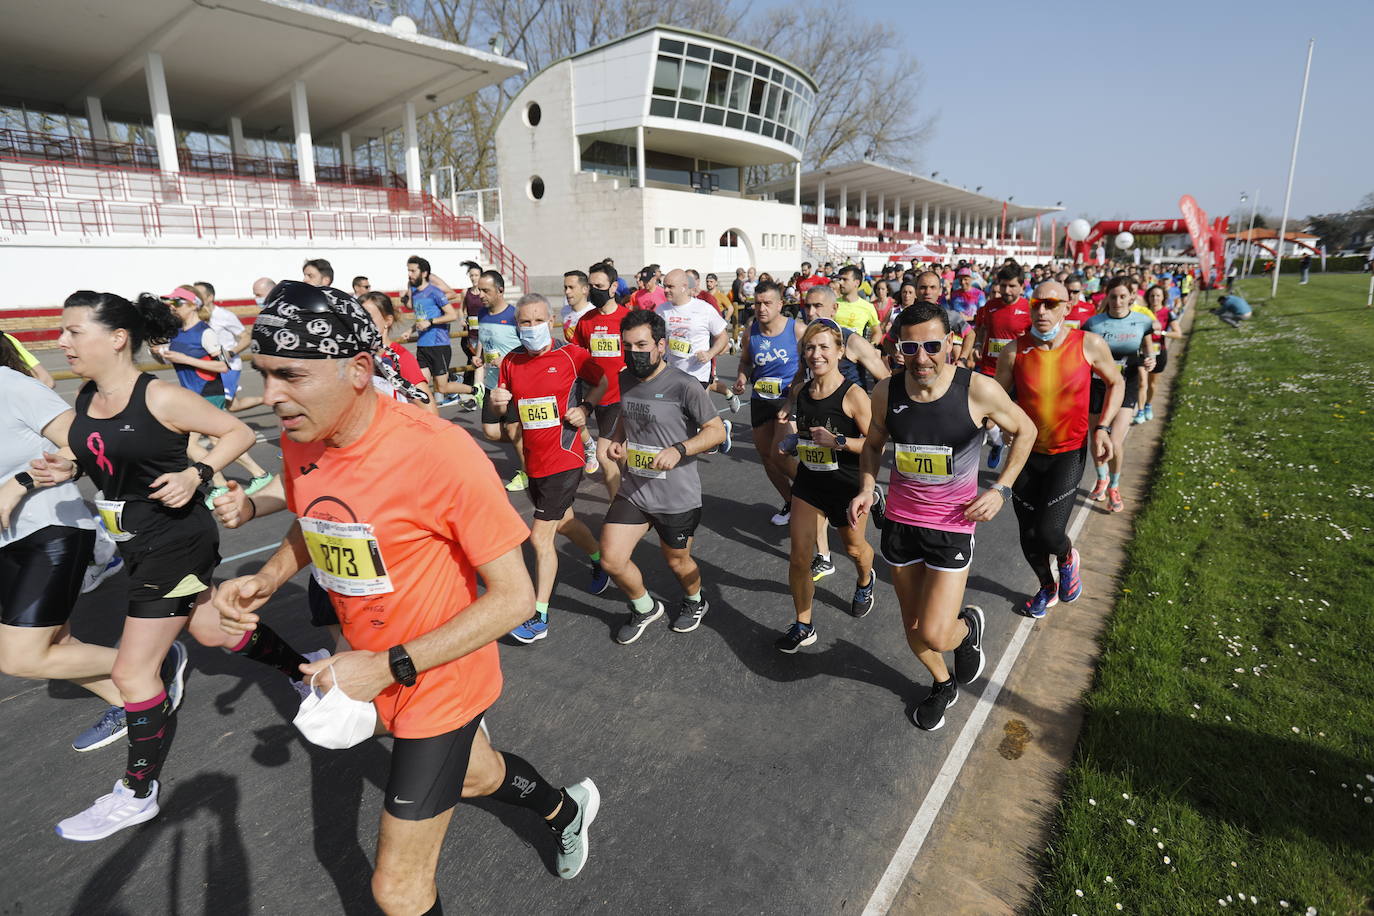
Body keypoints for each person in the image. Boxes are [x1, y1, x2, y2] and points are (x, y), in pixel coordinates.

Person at [215, 282, 599, 913]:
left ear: (359, 371)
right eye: (264, 375)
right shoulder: (301, 433)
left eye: (289, 375)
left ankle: (560, 809)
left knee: (396, 889)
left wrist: (388, 665)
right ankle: (565, 808)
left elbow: (515, 599)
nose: (271, 397)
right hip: (367, 662)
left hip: (436, 673)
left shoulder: (438, 451)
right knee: (478, 775)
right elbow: (320, 519)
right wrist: (270, 577)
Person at [31, 290, 315, 841]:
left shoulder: (158, 396)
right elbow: (101, 456)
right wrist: (64, 471)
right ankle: (306, 671)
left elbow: (235, 431)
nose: (60, 341)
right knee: (211, 628)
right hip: (137, 543)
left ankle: (138, 793)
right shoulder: (87, 398)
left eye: (73, 331)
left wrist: (198, 474)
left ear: (116, 338)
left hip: (177, 543)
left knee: (132, 672)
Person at [850, 302, 1035, 730]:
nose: (922, 357)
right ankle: (943, 682)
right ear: (898, 348)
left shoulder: (978, 390)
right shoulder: (886, 392)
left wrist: (1001, 488)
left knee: (935, 632)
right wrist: (866, 486)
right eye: (910, 347)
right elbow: (874, 444)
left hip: (951, 525)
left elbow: (1026, 430)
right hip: (899, 522)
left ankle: (966, 630)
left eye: (932, 345)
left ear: (950, 342)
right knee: (913, 628)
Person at [0, 336, 123, 751]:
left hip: (50, 528)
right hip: (7, 542)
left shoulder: (12, 386)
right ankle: (132, 701)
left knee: (20, 656)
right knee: (56, 643)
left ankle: (147, 662)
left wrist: (20, 483)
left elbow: (87, 445)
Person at [489, 294, 611, 643]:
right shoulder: (510, 362)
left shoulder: (572, 355)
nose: (531, 328)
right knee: (566, 523)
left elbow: (601, 382)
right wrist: (498, 405)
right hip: (534, 460)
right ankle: (601, 559)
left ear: (552, 320)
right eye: (524, 323)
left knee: (540, 537)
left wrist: (586, 408)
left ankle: (538, 616)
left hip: (566, 456)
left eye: (537, 321)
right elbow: (506, 413)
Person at [997, 281, 1123, 617]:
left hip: (1067, 452)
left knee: (1049, 532)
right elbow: (996, 399)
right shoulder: (1014, 351)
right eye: (1037, 303)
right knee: (1027, 534)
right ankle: (1046, 587)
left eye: (1051, 304)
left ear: (1067, 307)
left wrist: (1104, 428)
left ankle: (1067, 558)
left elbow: (1117, 382)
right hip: (1026, 454)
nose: (1041, 311)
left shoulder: (1088, 344)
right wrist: (1004, 426)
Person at [600, 310, 727, 643]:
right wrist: (617, 439)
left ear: (661, 345)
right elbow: (627, 415)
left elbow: (715, 432)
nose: (634, 352)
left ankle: (695, 601)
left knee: (677, 562)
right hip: (635, 490)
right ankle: (644, 607)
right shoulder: (625, 378)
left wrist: (680, 450)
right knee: (611, 559)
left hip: (676, 496)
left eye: (642, 344)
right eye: (627, 345)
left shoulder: (684, 385)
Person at [774, 320, 877, 653]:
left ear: (839, 352)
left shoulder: (854, 394)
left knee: (854, 550)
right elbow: (808, 434)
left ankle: (865, 580)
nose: (815, 354)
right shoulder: (802, 392)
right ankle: (804, 625)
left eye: (823, 348)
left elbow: (876, 444)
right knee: (799, 558)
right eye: (809, 348)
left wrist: (840, 441)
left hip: (846, 487)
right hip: (809, 484)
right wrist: (795, 442)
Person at [154, 286, 274, 507]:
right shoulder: (177, 332)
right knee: (218, 441)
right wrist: (158, 353)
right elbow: (173, 360)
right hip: (192, 394)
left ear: (193, 305)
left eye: (177, 303)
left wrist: (184, 358)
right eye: (170, 303)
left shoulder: (205, 332)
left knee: (190, 445)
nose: (172, 307)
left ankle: (218, 485)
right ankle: (259, 474)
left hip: (208, 392)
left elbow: (223, 365)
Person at [733, 280, 804, 526]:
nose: (761, 308)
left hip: (788, 398)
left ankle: (812, 495)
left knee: (780, 453)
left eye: (767, 303)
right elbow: (745, 361)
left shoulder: (796, 330)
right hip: (761, 399)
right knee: (766, 456)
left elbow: (816, 361)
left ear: (780, 305)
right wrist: (742, 376)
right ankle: (792, 501)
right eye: (757, 303)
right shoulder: (751, 329)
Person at [1083, 277, 1157, 511]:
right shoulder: (1093, 323)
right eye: (1113, 296)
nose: (1117, 301)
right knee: (1096, 437)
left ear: (1131, 297)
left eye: (1123, 296)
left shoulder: (1142, 321)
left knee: (1114, 440)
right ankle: (1101, 477)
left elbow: (1148, 347)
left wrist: (1151, 359)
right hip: (1097, 385)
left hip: (1127, 384)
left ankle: (1114, 486)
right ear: (1106, 296)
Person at [656, 269, 735, 445]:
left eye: (670, 287)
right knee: (677, 418)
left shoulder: (703, 309)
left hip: (697, 373)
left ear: (684, 287)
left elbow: (723, 337)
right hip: (671, 373)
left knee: (699, 418)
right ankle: (682, 449)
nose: (666, 290)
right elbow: (657, 339)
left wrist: (709, 354)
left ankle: (720, 430)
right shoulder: (661, 310)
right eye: (664, 286)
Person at [573, 263, 630, 503]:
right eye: (591, 286)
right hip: (595, 396)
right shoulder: (585, 321)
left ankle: (620, 508)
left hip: (621, 396)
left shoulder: (628, 319)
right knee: (620, 454)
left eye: (600, 286)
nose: (594, 291)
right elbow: (576, 356)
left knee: (605, 454)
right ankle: (630, 497)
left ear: (613, 287)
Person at [970, 263, 1031, 469]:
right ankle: (997, 443)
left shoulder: (1029, 309)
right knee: (987, 419)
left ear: (1022, 286)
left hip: (1018, 373)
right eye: (1003, 285)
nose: (1007, 291)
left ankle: (1015, 466)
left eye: (1012, 286)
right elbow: (981, 328)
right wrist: (978, 344)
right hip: (989, 369)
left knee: (1017, 421)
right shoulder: (990, 306)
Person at [472, 271, 527, 490]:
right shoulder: (482, 314)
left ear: (500, 290)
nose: (480, 295)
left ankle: (527, 473)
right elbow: (483, 341)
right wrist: (477, 356)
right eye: (479, 290)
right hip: (492, 385)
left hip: (514, 385)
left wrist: (508, 360)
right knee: (490, 432)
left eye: (485, 290)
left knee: (513, 430)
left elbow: (530, 350)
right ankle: (529, 441)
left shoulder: (515, 316)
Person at [407, 256, 462, 402]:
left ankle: (474, 390)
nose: (409, 274)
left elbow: (452, 315)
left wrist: (431, 322)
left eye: (413, 271)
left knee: (442, 388)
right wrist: (410, 330)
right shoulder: (415, 292)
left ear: (424, 273)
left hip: (438, 345)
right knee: (421, 387)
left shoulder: (435, 292)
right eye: (408, 270)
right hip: (422, 345)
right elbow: (421, 317)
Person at [1140, 284, 1183, 422]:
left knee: (1152, 383)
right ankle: (1140, 410)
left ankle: (1148, 405)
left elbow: (1178, 334)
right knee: (1141, 382)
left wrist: (1163, 332)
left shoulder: (1168, 313)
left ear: (1163, 297)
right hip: (1141, 351)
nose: (1155, 298)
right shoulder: (1142, 312)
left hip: (1159, 352)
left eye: (1158, 295)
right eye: (1152, 296)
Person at [833, 265, 882, 346]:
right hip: (834, 351)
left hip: (855, 353)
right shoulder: (833, 303)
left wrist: (872, 346)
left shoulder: (868, 307)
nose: (840, 282)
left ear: (857, 283)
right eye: (840, 279)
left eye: (845, 279)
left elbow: (877, 332)